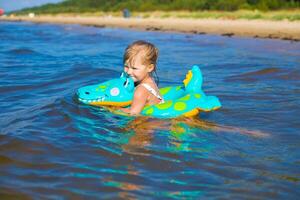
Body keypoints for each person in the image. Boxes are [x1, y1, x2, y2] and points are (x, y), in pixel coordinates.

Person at [119, 40, 164, 115]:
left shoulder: (141, 90)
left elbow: (132, 114)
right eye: (126, 66)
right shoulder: (150, 81)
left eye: (134, 68)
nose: (129, 72)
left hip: (145, 125)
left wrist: (112, 109)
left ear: (150, 68)